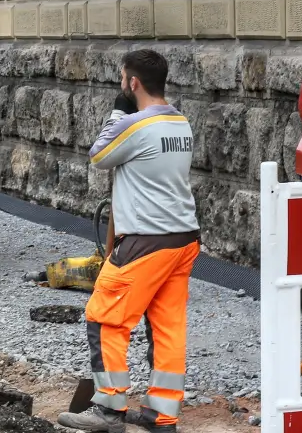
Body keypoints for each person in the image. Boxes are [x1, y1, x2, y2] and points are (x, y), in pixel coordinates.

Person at [58, 49, 198, 433]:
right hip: (183, 239)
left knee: (104, 319)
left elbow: (99, 154)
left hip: (145, 241)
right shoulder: (181, 124)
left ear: (132, 82)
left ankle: (108, 410)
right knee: (167, 325)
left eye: (124, 79)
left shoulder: (135, 126)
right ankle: (161, 415)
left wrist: (119, 109)